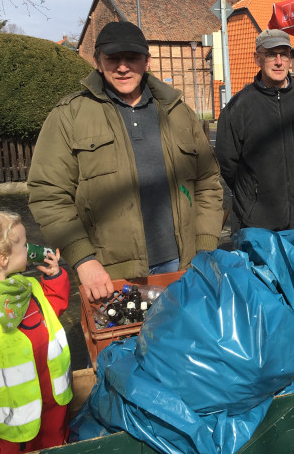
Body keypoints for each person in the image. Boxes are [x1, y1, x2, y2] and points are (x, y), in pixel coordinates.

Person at [27, 21, 223, 302]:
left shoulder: (178, 112)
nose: (122, 67)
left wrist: (205, 247)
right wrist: (83, 259)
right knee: (121, 346)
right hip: (109, 275)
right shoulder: (69, 116)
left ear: (147, 61)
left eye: (131, 57)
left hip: (182, 267)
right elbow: (48, 195)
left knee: (179, 345)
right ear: (97, 62)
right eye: (112, 58)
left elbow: (207, 183)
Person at [215, 29, 294, 235]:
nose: (278, 62)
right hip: (259, 226)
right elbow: (228, 163)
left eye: (284, 54)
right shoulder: (239, 107)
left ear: (290, 59)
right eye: (271, 54)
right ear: (257, 59)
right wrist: (253, 197)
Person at [0, 211, 72, 453]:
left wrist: (54, 278)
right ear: (2, 259)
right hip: (14, 413)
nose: (31, 248)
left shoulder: (26, 286)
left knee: (57, 444)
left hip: (52, 396)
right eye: (24, 244)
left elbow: (53, 308)